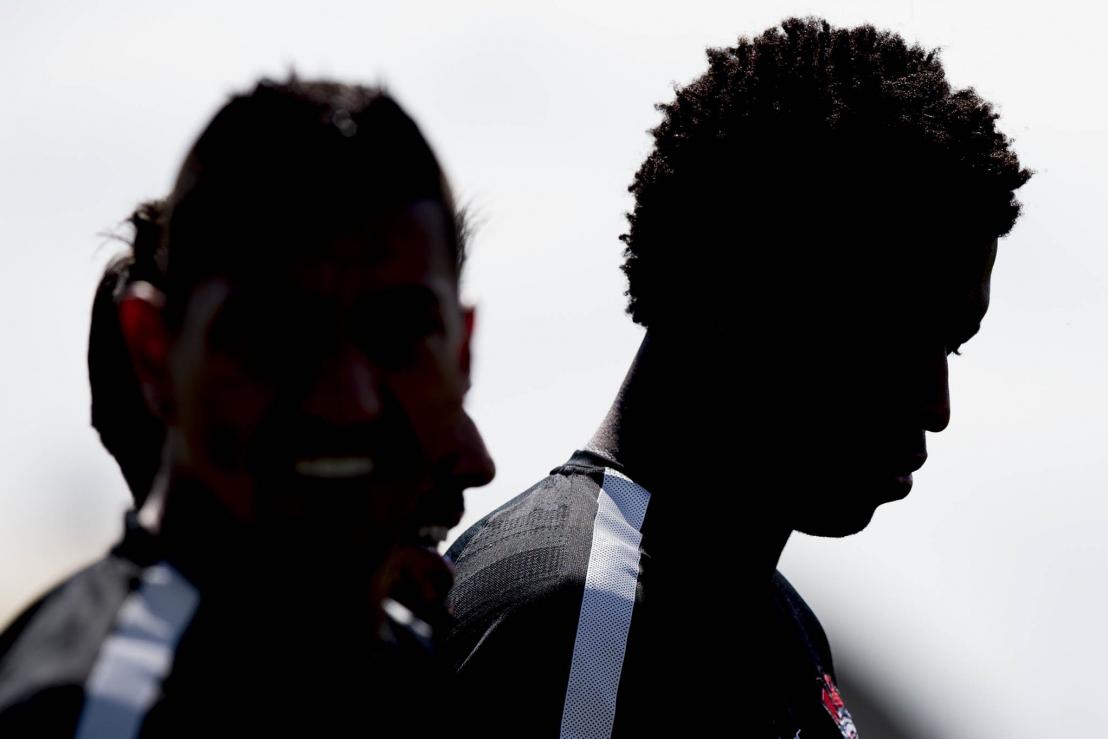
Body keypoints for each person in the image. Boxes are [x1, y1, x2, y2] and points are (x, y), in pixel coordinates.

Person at [444, 17, 1030, 739]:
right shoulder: (572, 619)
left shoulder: (780, 625)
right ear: (740, 293)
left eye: (953, 347)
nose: (935, 407)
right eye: (898, 337)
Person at [0, 77, 493, 736]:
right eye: (279, 335)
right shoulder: (95, 713)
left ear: (460, 354)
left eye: (399, 334)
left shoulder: (405, 672)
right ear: (153, 351)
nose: (346, 400)